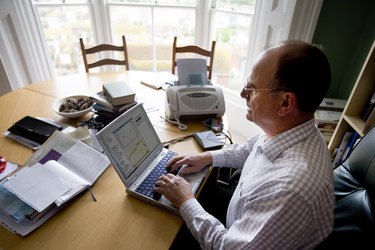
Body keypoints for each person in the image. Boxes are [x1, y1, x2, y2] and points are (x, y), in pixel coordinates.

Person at [154, 40, 335, 249]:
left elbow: (225, 247)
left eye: (252, 88)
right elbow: (252, 148)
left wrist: (186, 201)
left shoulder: (288, 190)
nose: (242, 94)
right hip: (244, 217)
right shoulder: (295, 131)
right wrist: (209, 157)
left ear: (285, 103)